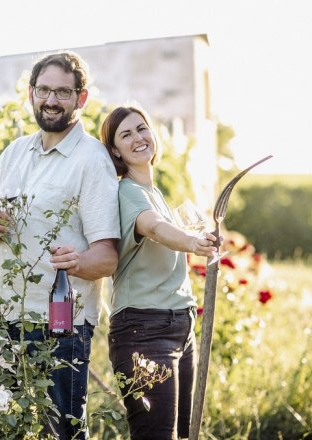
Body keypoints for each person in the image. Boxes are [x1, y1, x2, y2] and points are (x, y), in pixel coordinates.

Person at [0, 52, 120, 440]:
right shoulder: (12, 154)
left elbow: (107, 257)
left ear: (81, 98)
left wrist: (75, 262)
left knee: (63, 432)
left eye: (62, 91)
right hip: (1, 316)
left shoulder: (92, 161)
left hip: (60, 326)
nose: (51, 99)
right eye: (44, 89)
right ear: (30, 93)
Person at [99, 105, 219, 440]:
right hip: (144, 331)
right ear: (115, 151)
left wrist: (199, 239)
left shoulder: (155, 193)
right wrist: (194, 241)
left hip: (180, 327)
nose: (138, 138)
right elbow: (154, 228)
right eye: (126, 135)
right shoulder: (127, 192)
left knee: (180, 435)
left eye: (141, 128)